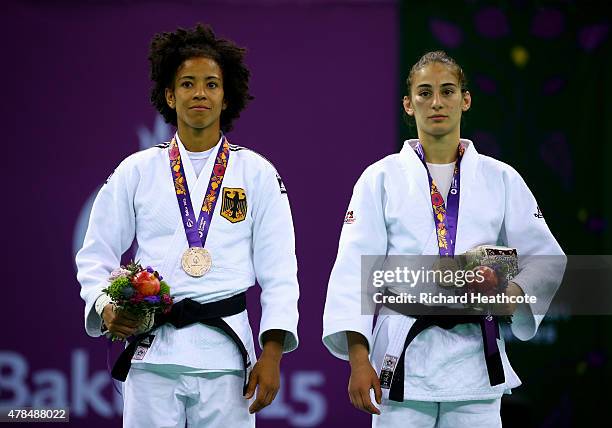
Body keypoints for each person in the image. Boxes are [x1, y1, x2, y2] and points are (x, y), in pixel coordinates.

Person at [322, 51, 565, 427]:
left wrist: (514, 292)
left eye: (447, 91)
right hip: (402, 356)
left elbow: (547, 257)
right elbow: (353, 270)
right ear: (408, 104)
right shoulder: (380, 178)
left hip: (475, 361)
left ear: (465, 100)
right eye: (424, 92)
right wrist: (358, 358)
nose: (436, 102)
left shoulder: (501, 178)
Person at [76, 24, 299, 427]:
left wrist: (273, 352)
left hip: (227, 359)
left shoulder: (257, 173)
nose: (200, 93)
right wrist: (103, 303)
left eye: (211, 84)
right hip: (154, 356)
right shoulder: (138, 170)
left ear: (225, 95)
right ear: (169, 94)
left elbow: (280, 271)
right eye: (188, 83)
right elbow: (96, 252)